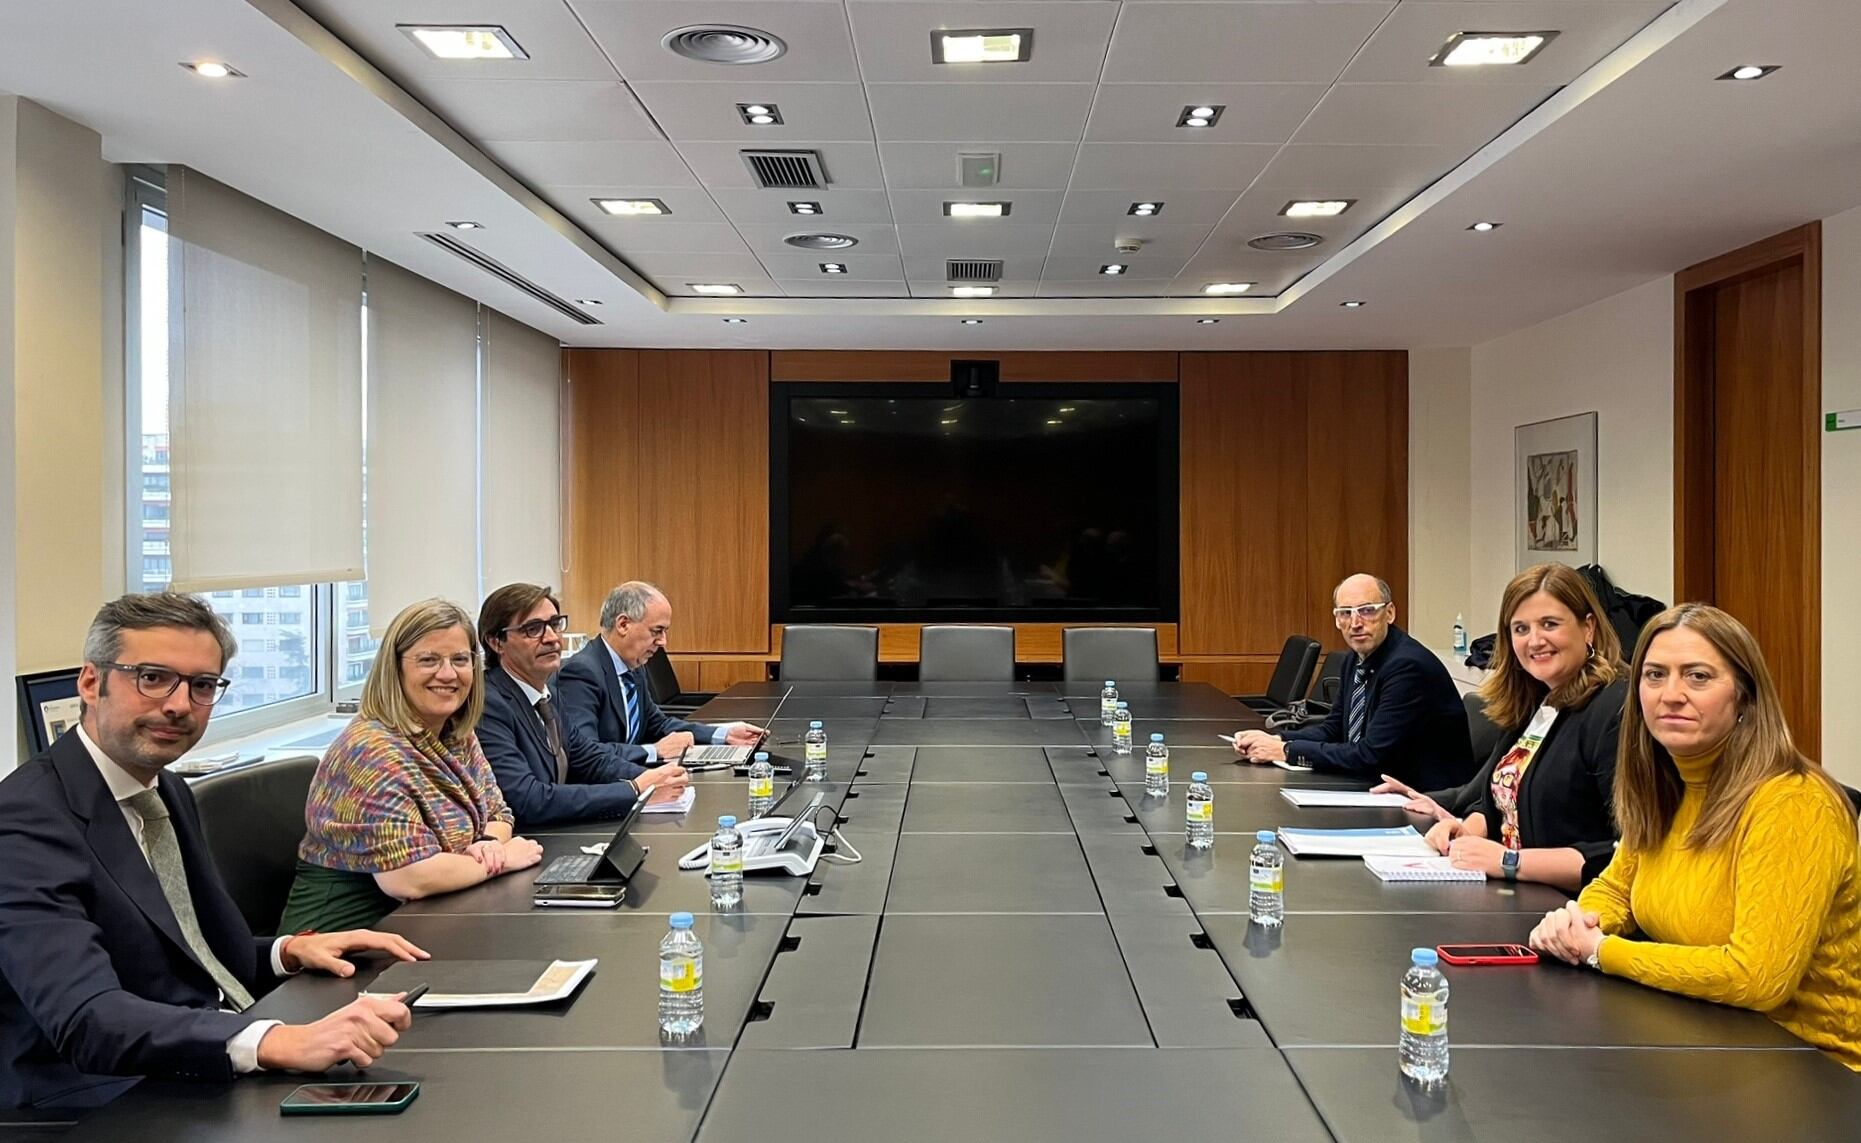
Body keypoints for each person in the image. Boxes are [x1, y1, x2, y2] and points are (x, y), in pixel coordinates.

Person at [0, 594, 427, 1110]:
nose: (179, 704)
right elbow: (88, 1018)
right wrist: (274, 1041)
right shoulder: (25, 820)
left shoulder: (165, 791)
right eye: (152, 678)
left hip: (192, 1057)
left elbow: (187, 957)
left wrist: (287, 951)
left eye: (201, 685)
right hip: (100, 1097)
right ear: (91, 683)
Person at [1529, 604, 1861, 1070]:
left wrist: (1604, 953)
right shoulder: (1668, 783)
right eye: (1655, 675)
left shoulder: (1794, 803)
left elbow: (1757, 977)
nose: (1672, 695)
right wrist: (1579, 922)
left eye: (1699, 677)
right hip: (1705, 1039)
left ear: (1744, 695)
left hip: (1811, 1069)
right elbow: (1618, 886)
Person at [280, 599, 544, 932]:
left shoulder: (454, 733)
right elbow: (409, 878)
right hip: (340, 949)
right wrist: (501, 860)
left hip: (428, 922)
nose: (448, 674)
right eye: (429, 660)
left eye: (460, 660)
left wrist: (488, 847)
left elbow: (499, 814)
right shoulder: (370, 751)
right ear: (396, 668)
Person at [1376, 563, 1626, 890]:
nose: (1534, 640)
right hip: (1515, 897)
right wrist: (1467, 831)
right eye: (1520, 629)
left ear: (1588, 628)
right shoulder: (1536, 701)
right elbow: (1499, 802)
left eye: (1549, 624)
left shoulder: (1615, 708)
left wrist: (1507, 861)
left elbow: (1624, 854)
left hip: (1573, 915)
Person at [476, 583, 691, 829]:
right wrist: (634, 789)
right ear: (496, 642)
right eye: (533, 629)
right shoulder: (489, 704)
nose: (552, 638)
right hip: (524, 843)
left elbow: (590, 758)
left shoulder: (549, 695)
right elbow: (528, 800)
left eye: (555, 624)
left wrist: (656, 777)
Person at [1231, 573, 1473, 790]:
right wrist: (1278, 739)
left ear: (1389, 613)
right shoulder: (1354, 660)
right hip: (1378, 784)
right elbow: (1333, 730)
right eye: (1345, 613)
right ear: (1337, 620)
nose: (1355, 623)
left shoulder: (1407, 667)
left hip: (1425, 798)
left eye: (1367, 610)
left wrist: (1286, 752)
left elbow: (1369, 755)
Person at [556, 581, 765, 764]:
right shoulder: (581, 672)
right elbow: (584, 753)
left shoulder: (634, 667)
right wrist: (654, 751)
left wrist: (723, 734)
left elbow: (657, 723)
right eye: (657, 631)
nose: (663, 641)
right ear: (623, 624)